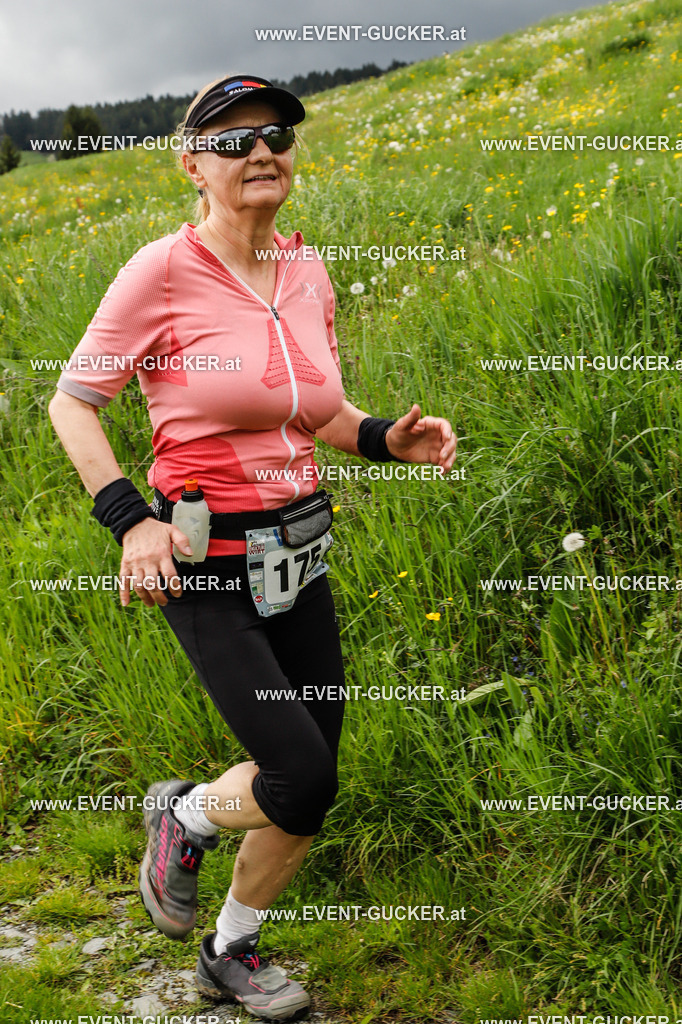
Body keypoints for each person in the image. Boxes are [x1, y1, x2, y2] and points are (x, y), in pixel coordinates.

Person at [48, 72, 457, 1022]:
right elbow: (74, 401)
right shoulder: (159, 271)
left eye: (276, 133)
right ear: (192, 164)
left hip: (300, 555)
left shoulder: (308, 272)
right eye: (231, 140)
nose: (260, 151)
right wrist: (129, 519)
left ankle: (229, 947)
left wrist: (384, 435)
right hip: (204, 560)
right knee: (299, 772)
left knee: (312, 781)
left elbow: (318, 409)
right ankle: (183, 814)